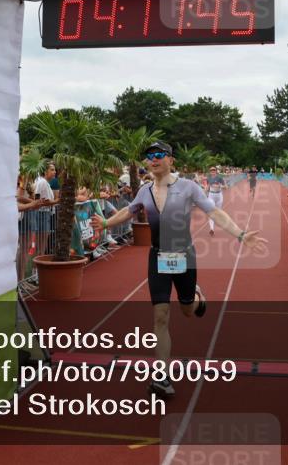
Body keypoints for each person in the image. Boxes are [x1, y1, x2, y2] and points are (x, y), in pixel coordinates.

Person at [91, 141, 267, 398]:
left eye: (160, 154)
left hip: (184, 256)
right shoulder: (144, 191)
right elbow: (128, 212)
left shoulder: (188, 187)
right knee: (160, 317)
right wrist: (106, 222)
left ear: (171, 160)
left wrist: (240, 235)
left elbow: (214, 212)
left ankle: (196, 296)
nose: (154, 159)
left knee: (187, 310)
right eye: (150, 155)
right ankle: (162, 376)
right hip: (157, 257)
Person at [204, 166, 227, 235]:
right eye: (211, 170)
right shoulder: (209, 178)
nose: (212, 171)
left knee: (217, 212)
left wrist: (220, 186)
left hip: (219, 196)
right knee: (211, 211)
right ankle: (212, 228)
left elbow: (226, 187)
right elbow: (207, 187)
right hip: (211, 195)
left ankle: (220, 221)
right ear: (210, 172)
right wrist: (204, 194)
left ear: (216, 171)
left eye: (214, 170)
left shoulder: (220, 178)